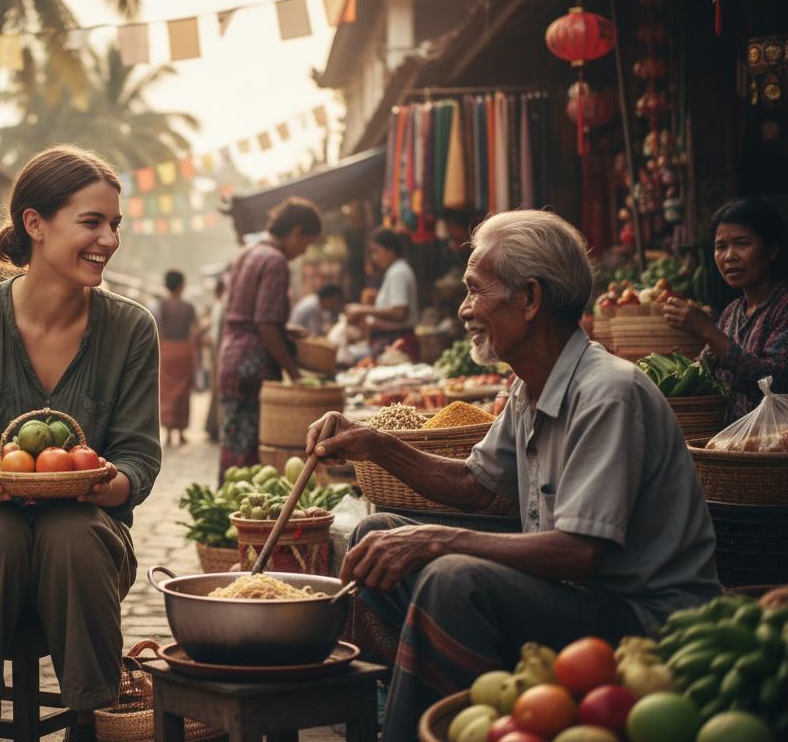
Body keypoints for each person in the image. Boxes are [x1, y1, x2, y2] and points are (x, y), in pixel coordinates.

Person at [304, 210, 719, 739]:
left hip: (645, 620)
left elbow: (581, 553)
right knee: (376, 534)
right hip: (574, 595)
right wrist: (374, 444)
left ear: (529, 298)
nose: (464, 309)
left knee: (452, 579)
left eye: (475, 290)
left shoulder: (608, 393)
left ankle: (410, 730)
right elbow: (474, 486)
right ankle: (406, 705)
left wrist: (436, 541)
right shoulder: (532, 386)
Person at [0, 146, 160, 742]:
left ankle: (91, 726)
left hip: (80, 549)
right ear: (35, 224)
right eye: (91, 222)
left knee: (73, 533)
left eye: (115, 224)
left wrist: (99, 483)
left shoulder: (131, 328)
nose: (108, 240)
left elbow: (139, 460)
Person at [216, 197, 321, 478]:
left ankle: (228, 498)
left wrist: (285, 330)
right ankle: (243, 505)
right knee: (251, 449)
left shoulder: (247, 253)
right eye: (306, 243)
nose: (303, 251)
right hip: (253, 365)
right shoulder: (275, 261)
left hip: (231, 358)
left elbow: (249, 316)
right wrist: (295, 374)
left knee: (233, 442)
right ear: (297, 232)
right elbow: (265, 327)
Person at [663, 198, 788, 420]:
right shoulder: (732, 312)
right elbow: (705, 371)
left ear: (772, 250)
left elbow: (772, 380)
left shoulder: (782, 307)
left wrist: (707, 330)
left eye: (742, 243)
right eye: (721, 246)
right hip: (736, 440)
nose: (729, 256)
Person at [345, 228, 419, 360]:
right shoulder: (395, 271)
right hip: (393, 341)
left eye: (376, 251)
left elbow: (400, 313)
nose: (374, 258)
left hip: (399, 342)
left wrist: (362, 309)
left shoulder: (398, 272)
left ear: (390, 251)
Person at [154, 269, 197, 448]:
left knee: (166, 392)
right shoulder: (188, 307)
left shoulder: (161, 305)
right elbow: (195, 331)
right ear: (181, 285)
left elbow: (158, 328)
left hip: (166, 351)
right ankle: (180, 432)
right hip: (183, 351)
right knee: (182, 392)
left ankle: (169, 433)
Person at [203, 277, 226, 443]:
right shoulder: (221, 306)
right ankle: (215, 427)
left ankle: (213, 427)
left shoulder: (218, 306)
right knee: (217, 391)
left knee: (216, 390)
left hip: (217, 350)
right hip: (219, 351)